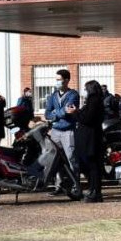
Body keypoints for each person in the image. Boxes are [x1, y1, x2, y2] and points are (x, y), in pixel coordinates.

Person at [44, 68, 80, 196]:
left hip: (68, 131)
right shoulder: (53, 95)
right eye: (56, 80)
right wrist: (55, 115)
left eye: (59, 80)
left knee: (71, 158)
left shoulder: (73, 94)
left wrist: (55, 113)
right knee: (55, 159)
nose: (57, 82)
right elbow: (47, 113)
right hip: (55, 131)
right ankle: (59, 186)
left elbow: (68, 110)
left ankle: (76, 185)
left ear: (67, 80)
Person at [75, 80, 105, 203]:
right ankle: (94, 190)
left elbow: (88, 118)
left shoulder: (94, 100)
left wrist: (76, 113)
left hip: (91, 137)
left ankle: (95, 191)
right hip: (90, 136)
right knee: (91, 165)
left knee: (93, 165)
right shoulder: (95, 100)